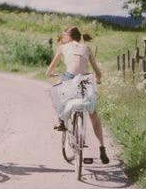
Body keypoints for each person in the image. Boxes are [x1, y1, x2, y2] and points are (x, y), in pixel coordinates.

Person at [45, 26, 110, 164]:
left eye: (63, 36)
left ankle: (61, 120)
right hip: (85, 80)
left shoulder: (63, 48)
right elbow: (98, 72)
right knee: (93, 113)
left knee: (57, 94)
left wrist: (50, 74)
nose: (62, 39)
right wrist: (98, 80)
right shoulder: (86, 48)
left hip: (69, 78)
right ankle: (102, 148)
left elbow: (49, 70)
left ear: (68, 37)